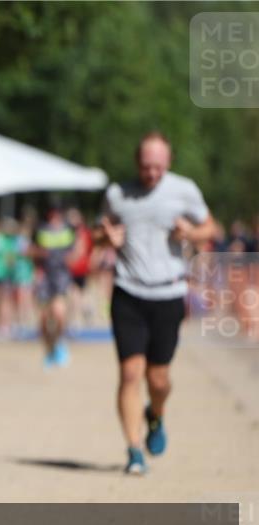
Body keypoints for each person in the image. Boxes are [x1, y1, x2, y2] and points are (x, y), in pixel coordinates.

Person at [98, 131, 217, 475]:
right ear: (137, 162)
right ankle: (134, 451)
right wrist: (107, 237)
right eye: (146, 166)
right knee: (130, 372)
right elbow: (97, 233)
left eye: (158, 167)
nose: (151, 173)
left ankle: (157, 414)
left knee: (159, 378)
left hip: (168, 293)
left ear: (169, 163)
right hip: (128, 291)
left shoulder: (184, 190)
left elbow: (210, 227)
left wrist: (191, 234)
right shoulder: (117, 194)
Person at [32, 208, 77, 368]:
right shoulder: (40, 230)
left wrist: (70, 259)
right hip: (44, 277)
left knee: (59, 313)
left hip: (61, 277)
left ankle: (59, 344)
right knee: (44, 317)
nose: (54, 216)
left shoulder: (67, 230)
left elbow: (75, 252)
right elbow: (30, 250)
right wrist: (39, 254)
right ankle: (49, 348)